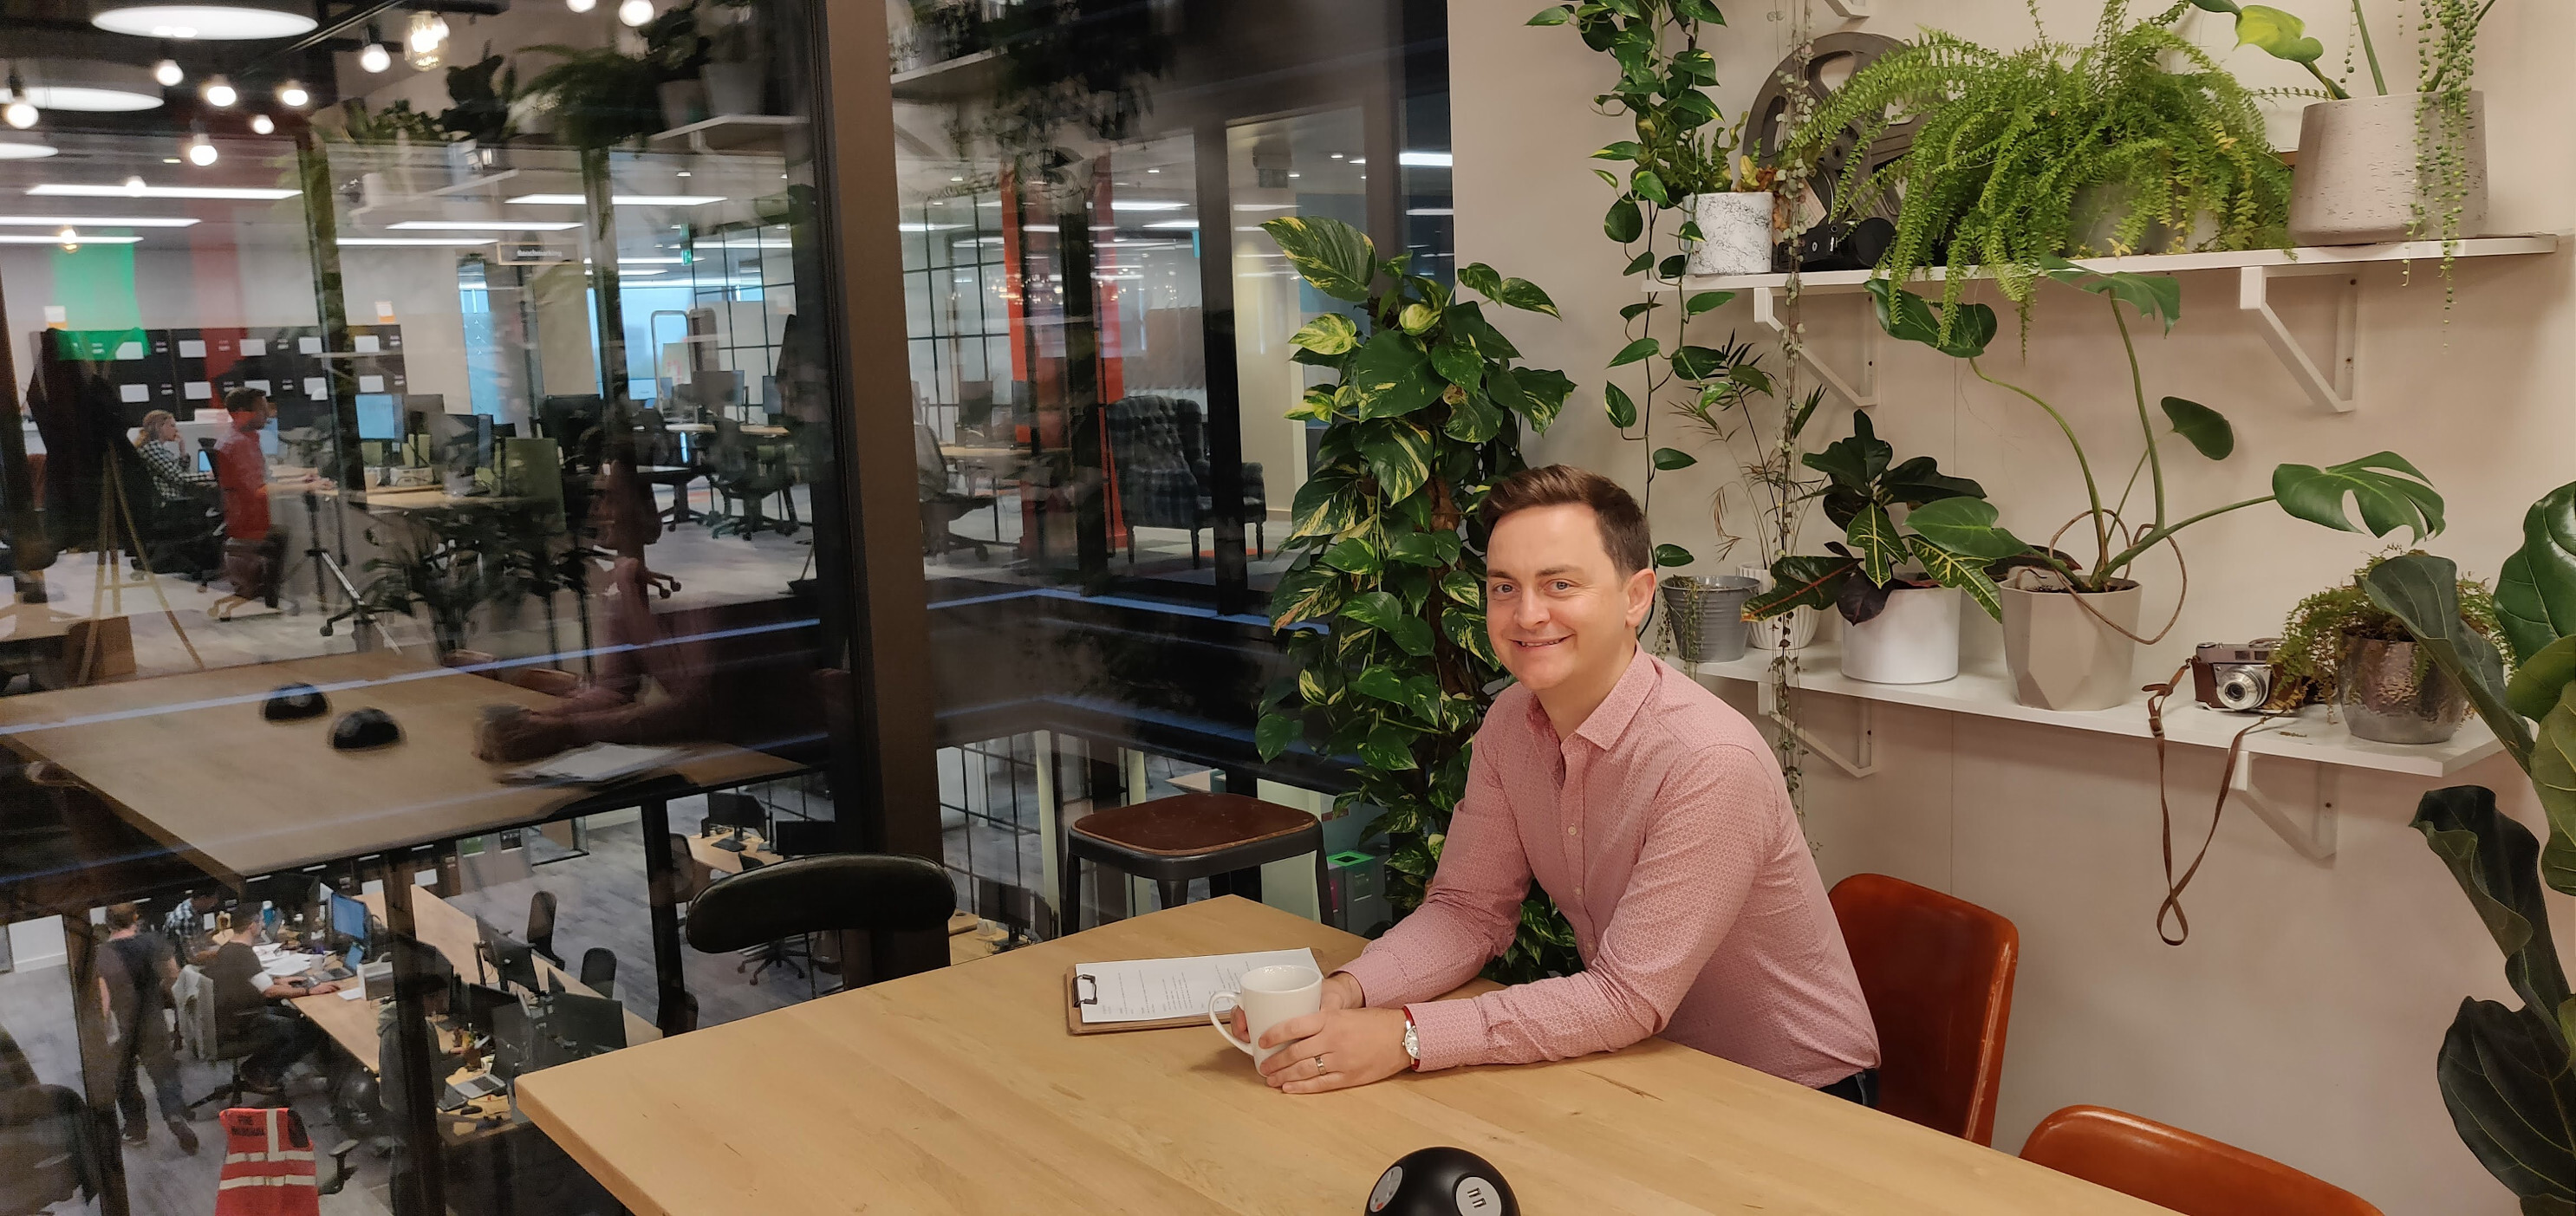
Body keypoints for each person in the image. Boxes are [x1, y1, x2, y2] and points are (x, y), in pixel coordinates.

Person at [1246, 465, 1882, 1101]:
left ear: (1636, 597)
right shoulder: (1510, 724)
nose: (1527, 614)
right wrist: (1347, 990)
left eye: (1560, 584)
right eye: (1504, 587)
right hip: (1651, 1064)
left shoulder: (1709, 760)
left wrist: (1407, 1036)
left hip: (1801, 1093)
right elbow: (1467, 911)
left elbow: (1625, 996)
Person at [207, 387, 325, 619]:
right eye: (262, 410)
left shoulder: (240, 438)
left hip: (240, 517)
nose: (269, 416)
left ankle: (270, 593)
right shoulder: (239, 444)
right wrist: (306, 487)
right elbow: (259, 491)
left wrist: (302, 478)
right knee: (301, 533)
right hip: (250, 522)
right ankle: (274, 596)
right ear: (243, 412)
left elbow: (262, 479)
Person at [94, 903, 197, 1154]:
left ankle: (136, 1129)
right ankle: (174, 1114)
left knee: (124, 1078)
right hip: (152, 1020)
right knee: (164, 1072)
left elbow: (103, 1002)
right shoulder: (153, 942)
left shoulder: (102, 954)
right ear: (135, 918)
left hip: (122, 1026)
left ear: (108, 923)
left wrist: (100, 1034)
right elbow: (173, 976)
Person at [203, 917, 338, 1093]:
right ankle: (263, 1072)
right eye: (260, 922)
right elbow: (269, 992)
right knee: (309, 1030)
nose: (263, 925)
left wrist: (277, 980)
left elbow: (249, 979)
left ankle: (256, 1067)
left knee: (297, 1016)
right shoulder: (244, 954)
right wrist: (308, 991)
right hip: (240, 1023)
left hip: (232, 1015)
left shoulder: (228, 948)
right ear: (252, 926)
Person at [132, 409, 211, 504]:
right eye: (172, 426)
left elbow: (180, 473)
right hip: (169, 500)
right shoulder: (151, 449)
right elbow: (177, 477)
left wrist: (182, 451)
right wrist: (208, 475)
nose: (176, 430)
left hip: (175, 495)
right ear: (160, 427)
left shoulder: (159, 448)